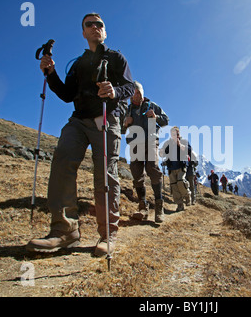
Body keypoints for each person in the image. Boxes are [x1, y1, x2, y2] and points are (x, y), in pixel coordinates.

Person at [26, 13, 135, 257]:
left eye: (100, 24)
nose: (95, 27)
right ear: (83, 32)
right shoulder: (77, 64)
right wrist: (51, 73)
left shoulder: (116, 58)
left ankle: (108, 234)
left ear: (104, 31)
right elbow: (66, 94)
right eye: (90, 24)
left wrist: (114, 91)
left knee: (104, 173)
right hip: (78, 120)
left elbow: (129, 86)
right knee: (63, 158)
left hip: (106, 118)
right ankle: (65, 231)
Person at [123, 81, 169, 223]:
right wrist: (125, 123)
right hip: (135, 144)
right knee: (137, 174)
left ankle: (159, 207)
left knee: (153, 169)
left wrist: (156, 117)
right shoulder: (127, 110)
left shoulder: (152, 105)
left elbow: (166, 120)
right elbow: (120, 130)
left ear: (142, 93)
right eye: (133, 93)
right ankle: (142, 206)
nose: (135, 96)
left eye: (138, 93)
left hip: (151, 142)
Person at [159, 126, 192, 211]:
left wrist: (179, 145)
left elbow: (189, 150)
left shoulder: (183, 141)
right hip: (171, 167)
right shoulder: (168, 143)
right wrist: (161, 152)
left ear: (179, 134)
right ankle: (180, 204)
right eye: (173, 134)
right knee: (174, 186)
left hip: (181, 166)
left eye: (176, 134)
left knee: (181, 182)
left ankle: (187, 195)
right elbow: (163, 153)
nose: (175, 135)